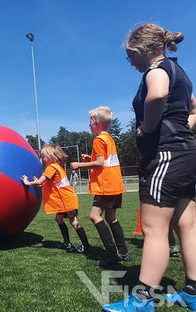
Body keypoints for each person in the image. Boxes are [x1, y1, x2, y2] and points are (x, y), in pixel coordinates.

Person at [102, 23, 196, 312]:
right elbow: (193, 108)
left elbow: (156, 95)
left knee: (154, 230)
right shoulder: (179, 71)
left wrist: (147, 127)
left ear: (142, 51)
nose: (130, 61)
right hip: (187, 155)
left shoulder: (156, 71)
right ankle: (192, 294)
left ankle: (142, 301)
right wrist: (185, 128)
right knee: (188, 226)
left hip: (164, 157)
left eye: (131, 56)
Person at [70, 106, 131, 267]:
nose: (88, 124)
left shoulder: (98, 140)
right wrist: (90, 158)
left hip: (105, 185)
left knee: (94, 216)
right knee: (111, 217)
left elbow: (99, 163)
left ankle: (111, 254)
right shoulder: (109, 138)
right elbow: (103, 161)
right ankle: (124, 252)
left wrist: (79, 165)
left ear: (96, 123)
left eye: (90, 120)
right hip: (115, 183)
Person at [21, 144, 91, 254]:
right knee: (58, 219)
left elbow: (40, 182)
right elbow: (49, 183)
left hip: (67, 200)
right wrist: (39, 182)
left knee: (74, 222)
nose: (42, 159)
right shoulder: (58, 167)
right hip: (64, 200)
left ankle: (86, 246)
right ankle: (67, 243)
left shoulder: (51, 167)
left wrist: (28, 182)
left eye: (44, 156)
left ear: (51, 156)